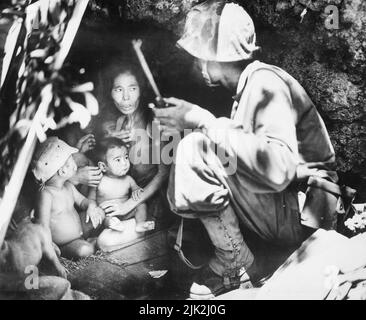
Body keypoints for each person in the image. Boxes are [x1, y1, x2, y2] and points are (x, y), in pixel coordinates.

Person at [150, 0, 337, 299]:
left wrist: (203, 121)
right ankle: (241, 260)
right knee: (199, 144)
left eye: (200, 57)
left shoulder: (265, 83)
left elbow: (278, 169)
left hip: (302, 215)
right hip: (288, 207)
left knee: (196, 148)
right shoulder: (250, 86)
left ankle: (235, 263)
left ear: (214, 58)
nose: (198, 65)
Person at [94, 59, 170, 228]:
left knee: (107, 242)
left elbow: (164, 174)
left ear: (141, 90)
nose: (126, 97)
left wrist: (127, 206)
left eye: (133, 88)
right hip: (126, 193)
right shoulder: (112, 123)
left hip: (152, 196)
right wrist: (110, 141)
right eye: (118, 89)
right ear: (110, 92)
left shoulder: (155, 121)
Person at [32, 137, 106, 260]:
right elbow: (42, 226)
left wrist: (91, 207)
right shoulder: (46, 194)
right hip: (64, 243)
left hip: (80, 230)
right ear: (63, 171)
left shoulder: (68, 186)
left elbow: (83, 202)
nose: (75, 163)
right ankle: (89, 244)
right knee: (85, 250)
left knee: (100, 212)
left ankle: (89, 241)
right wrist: (50, 246)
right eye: (72, 160)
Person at [89, 137, 155, 252]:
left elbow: (137, 190)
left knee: (141, 204)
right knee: (103, 216)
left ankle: (140, 224)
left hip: (127, 212)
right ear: (103, 166)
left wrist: (136, 191)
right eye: (118, 160)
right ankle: (112, 225)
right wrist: (94, 209)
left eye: (126, 157)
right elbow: (91, 199)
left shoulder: (128, 179)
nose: (125, 163)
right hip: (108, 214)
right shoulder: (99, 181)